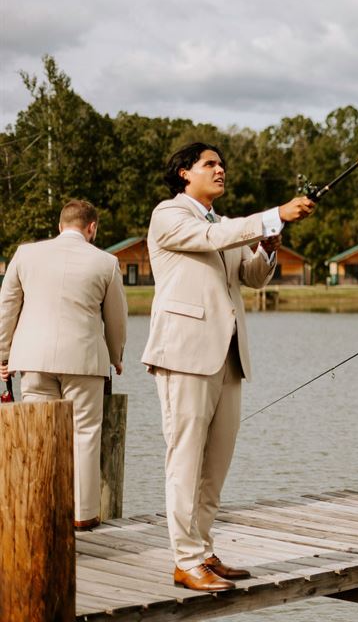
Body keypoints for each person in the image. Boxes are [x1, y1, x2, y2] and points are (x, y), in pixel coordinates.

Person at [141, 141, 315, 591]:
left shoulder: (223, 224)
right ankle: (185, 561)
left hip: (230, 356)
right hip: (184, 354)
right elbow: (209, 240)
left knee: (215, 463)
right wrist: (274, 214)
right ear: (185, 173)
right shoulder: (168, 215)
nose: (220, 170)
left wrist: (267, 249)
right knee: (185, 460)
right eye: (210, 164)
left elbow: (251, 278)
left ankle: (202, 549)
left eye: (221, 165)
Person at [0, 200, 127, 530]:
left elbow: (7, 307)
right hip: (84, 360)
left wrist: (3, 355)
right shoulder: (106, 262)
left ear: (60, 226)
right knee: (84, 434)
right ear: (92, 228)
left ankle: (40, 511)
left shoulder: (25, 255)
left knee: (39, 435)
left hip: (34, 359)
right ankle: (83, 516)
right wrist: (116, 355)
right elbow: (116, 318)